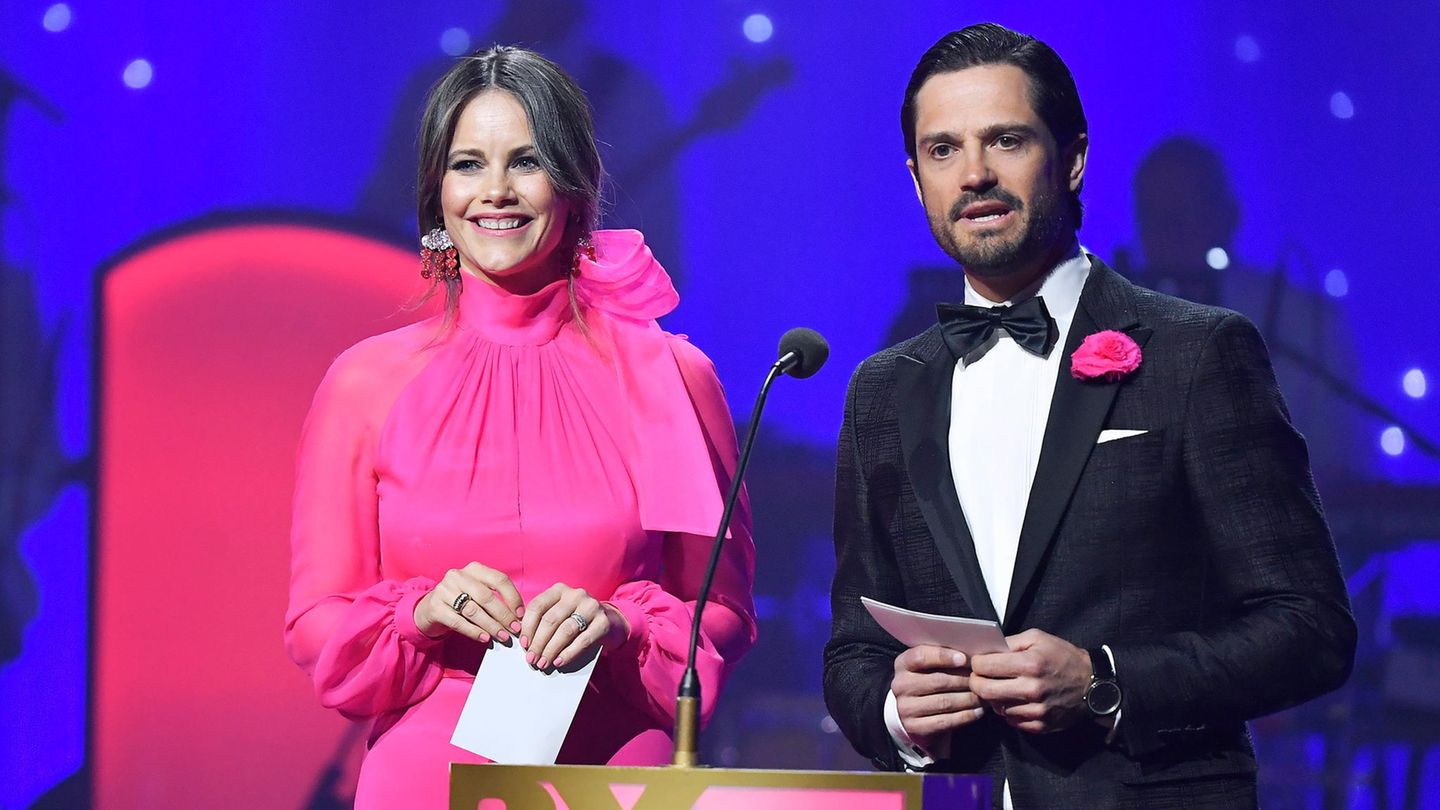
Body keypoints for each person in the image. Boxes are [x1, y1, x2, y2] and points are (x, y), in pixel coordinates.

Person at [823, 23, 1354, 809]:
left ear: (1071, 158)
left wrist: (1106, 682)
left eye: (1006, 140)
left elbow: (1311, 628)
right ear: (917, 178)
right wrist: (895, 711)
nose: (974, 173)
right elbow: (853, 652)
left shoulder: (1196, 352)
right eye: (942, 150)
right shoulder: (882, 389)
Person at [284, 46, 756, 809]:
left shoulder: (670, 376)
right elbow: (316, 623)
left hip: (616, 780)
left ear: (574, 184)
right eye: (467, 164)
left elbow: (721, 613)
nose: (495, 191)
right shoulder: (364, 382)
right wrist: (418, 612)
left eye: (526, 161)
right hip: (426, 779)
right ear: (437, 193)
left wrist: (621, 625)